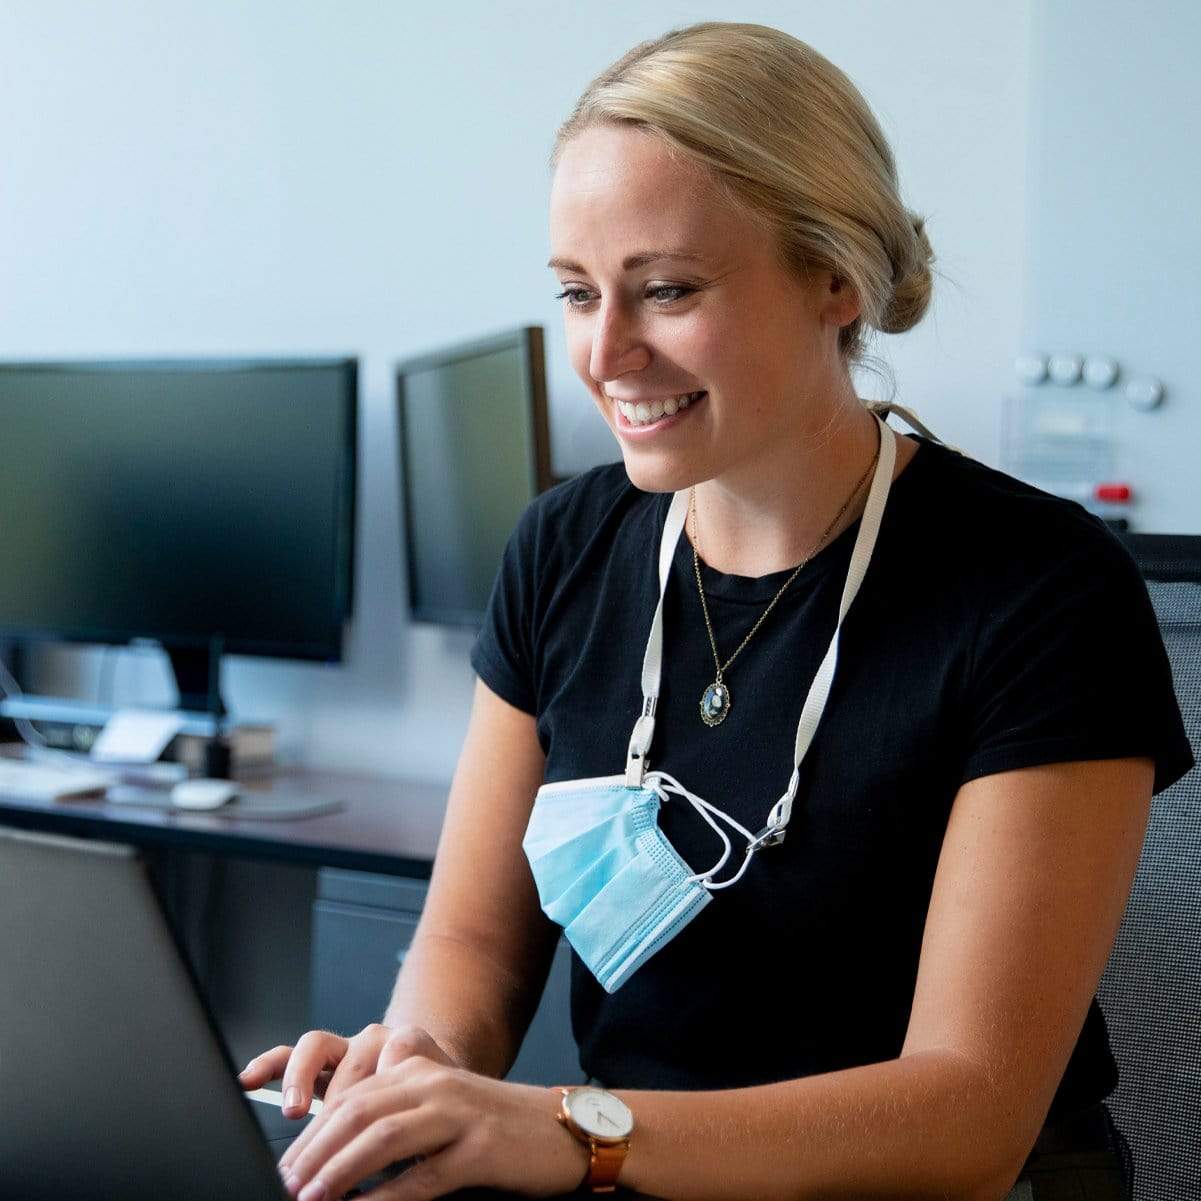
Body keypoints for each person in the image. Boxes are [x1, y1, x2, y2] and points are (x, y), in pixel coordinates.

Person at [238, 22, 1194, 1201]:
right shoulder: (564, 546)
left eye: (668, 290)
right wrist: (418, 1077)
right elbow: (473, 944)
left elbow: (970, 1110)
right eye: (577, 293)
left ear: (835, 275)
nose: (605, 351)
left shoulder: (1038, 587)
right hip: (633, 1177)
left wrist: (567, 1129)